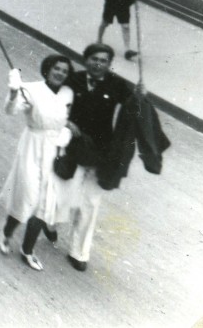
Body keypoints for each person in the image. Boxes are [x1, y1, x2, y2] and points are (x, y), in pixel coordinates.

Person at [58, 43, 141, 272]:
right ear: (86, 60)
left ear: (109, 64)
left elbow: (133, 109)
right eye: (94, 59)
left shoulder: (117, 84)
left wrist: (140, 97)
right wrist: (66, 122)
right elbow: (54, 103)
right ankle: (50, 223)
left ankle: (79, 252)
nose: (98, 64)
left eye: (103, 60)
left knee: (90, 202)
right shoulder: (73, 80)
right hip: (72, 146)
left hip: (101, 151)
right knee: (63, 191)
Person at [0, 54, 74, 271]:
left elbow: (67, 117)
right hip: (32, 147)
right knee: (27, 195)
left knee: (45, 203)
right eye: (56, 68)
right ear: (48, 69)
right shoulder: (31, 89)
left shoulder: (68, 93)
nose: (60, 73)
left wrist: (67, 129)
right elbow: (10, 110)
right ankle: (7, 232)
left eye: (64, 71)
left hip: (56, 150)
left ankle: (28, 249)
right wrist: (14, 91)